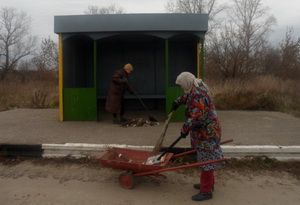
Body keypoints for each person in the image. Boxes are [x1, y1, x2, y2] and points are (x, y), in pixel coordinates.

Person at [170, 72, 223, 201]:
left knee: (206, 160)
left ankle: (206, 191)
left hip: (207, 133)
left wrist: (184, 130)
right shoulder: (196, 86)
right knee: (207, 158)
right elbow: (188, 96)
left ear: (187, 83)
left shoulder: (199, 94)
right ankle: (209, 184)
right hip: (205, 131)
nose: (182, 88)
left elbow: (196, 117)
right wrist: (178, 101)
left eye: (182, 85)